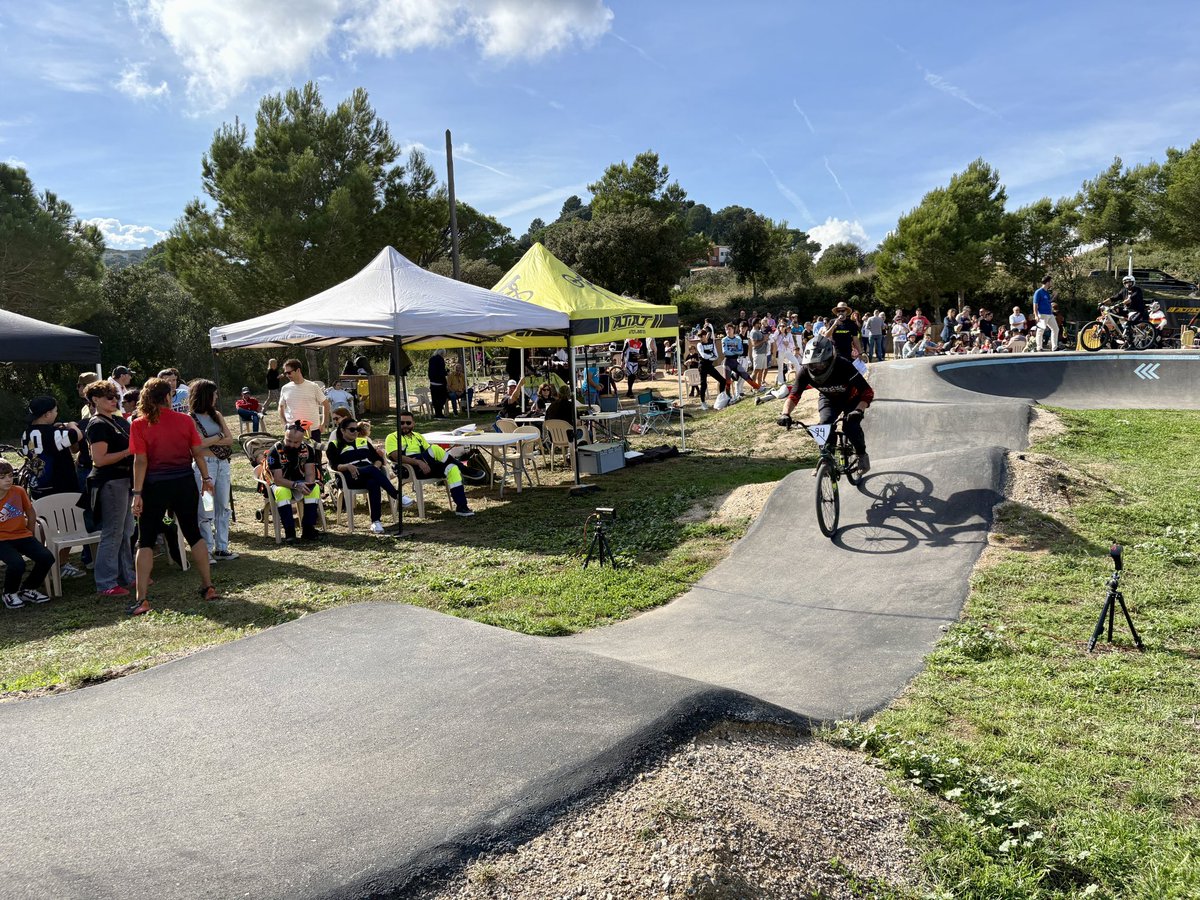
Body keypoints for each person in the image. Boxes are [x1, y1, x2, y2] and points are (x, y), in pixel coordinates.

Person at [129, 377, 219, 616]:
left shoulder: (139, 424)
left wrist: (137, 493)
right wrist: (206, 478)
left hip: (154, 487)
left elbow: (140, 461)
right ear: (168, 397)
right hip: (184, 483)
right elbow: (197, 452)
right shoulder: (185, 420)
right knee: (193, 533)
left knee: (145, 540)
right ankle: (208, 586)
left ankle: (142, 599)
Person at [776, 337, 873, 474]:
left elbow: (867, 391)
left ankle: (862, 455)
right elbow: (794, 396)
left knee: (850, 426)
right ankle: (826, 461)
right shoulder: (804, 371)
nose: (816, 368)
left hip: (852, 399)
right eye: (812, 364)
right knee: (824, 425)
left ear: (830, 359)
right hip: (829, 399)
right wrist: (785, 414)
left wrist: (859, 410)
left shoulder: (843, 365)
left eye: (821, 364)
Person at [84, 380, 136, 597]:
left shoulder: (115, 421)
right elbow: (99, 460)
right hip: (110, 481)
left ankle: (127, 575)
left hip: (123, 480)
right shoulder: (98, 424)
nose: (115, 400)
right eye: (109, 397)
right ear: (95, 400)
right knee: (113, 532)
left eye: (116, 397)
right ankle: (106, 582)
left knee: (126, 530)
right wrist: (128, 452)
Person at [385, 412, 474, 517]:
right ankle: (464, 469)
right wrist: (418, 462)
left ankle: (462, 507)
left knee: (452, 468)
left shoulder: (418, 436)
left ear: (413, 424)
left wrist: (427, 462)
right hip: (407, 469)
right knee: (435, 448)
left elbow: (429, 454)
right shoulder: (392, 437)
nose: (405, 425)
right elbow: (396, 457)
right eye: (401, 423)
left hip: (425, 467)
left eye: (408, 423)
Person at [188, 379, 238, 562]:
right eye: (214, 394)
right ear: (205, 396)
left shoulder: (216, 415)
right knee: (206, 509)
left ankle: (222, 548)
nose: (216, 397)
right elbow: (197, 444)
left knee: (223, 506)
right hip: (205, 466)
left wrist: (211, 439)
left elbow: (230, 440)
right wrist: (218, 436)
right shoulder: (191, 418)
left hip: (222, 464)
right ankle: (207, 550)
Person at [327, 417, 402, 534]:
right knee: (372, 471)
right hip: (348, 477)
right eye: (352, 430)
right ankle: (397, 495)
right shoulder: (334, 445)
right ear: (342, 430)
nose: (355, 432)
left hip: (368, 475)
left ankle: (376, 521)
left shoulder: (363, 442)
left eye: (357, 429)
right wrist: (347, 466)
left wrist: (375, 468)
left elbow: (377, 460)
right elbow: (334, 465)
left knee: (373, 482)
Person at [0, 460, 54, 609]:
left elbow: (30, 513)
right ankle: (9, 593)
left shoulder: (18, 491)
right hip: (2, 540)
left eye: (10, 476)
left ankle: (28, 589)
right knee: (17, 563)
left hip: (22, 535)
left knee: (46, 557)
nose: (8, 480)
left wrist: (30, 532)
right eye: (2, 477)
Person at [264, 423, 323, 542]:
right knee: (282, 492)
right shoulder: (275, 451)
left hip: (299, 481)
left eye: (296, 442)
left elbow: (310, 473)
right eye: (288, 440)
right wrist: (296, 485)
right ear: (284, 436)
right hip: (279, 483)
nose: (291, 445)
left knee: (314, 488)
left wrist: (309, 484)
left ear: (302, 440)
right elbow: (278, 480)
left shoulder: (307, 449)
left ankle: (308, 529)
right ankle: (289, 532)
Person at [278, 358, 332, 441]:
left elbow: (326, 404)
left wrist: (323, 423)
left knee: (314, 450)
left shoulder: (313, 386)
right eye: (285, 373)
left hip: (313, 430)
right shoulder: (285, 388)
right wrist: (285, 424)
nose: (287, 375)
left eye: (289, 372)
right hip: (292, 431)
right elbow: (281, 407)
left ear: (298, 370)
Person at [720, 322, 759, 401]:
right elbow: (725, 352)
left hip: (736, 361)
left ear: (733, 330)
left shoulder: (738, 339)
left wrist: (732, 351)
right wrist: (735, 351)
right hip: (728, 362)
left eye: (729, 329)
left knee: (745, 375)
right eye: (726, 329)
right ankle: (729, 397)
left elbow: (741, 351)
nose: (728, 331)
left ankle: (758, 387)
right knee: (728, 381)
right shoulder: (725, 339)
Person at [1109, 274, 1148, 343]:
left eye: (1129, 282)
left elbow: (1130, 299)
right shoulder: (1123, 290)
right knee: (1112, 312)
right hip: (1128, 311)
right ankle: (1120, 332)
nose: (1127, 284)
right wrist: (1102, 303)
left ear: (1133, 282)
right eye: (1126, 283)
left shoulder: (1137, 290)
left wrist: (1119, 304)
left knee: (1129, 324)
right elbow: (1114, 298)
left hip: (1138, 311)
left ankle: (1131, 344)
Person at [1033, 275, 1059, 351]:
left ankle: (1054, 347)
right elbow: (1035, 304)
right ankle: (1039, 347)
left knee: (1055, 329)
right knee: (1041, 330)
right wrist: (1036, 315)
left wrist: (1054, 296)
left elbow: (1049, 302)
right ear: (1047, 282)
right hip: (1042, 314)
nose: (1052, 283)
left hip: (1050, 314)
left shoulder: (1046, 292)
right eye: (1051, 281)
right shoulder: (1038, 292)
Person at [427, 348, 449, 418]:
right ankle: (440, 413)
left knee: (435, 399)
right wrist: (446, 372)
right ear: (442, 353)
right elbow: (441, 371)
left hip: (432, 382)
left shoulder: (431, 359)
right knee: (442, 398)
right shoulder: (440, 359)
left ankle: (437, 413)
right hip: (440, 383)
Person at [750, 318, 770, 389]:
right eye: (759, 323)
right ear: (755, 324)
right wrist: (764, 340)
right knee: (756, 371)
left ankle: (759, 386)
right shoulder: (753, 332)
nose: (760, 324)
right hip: (758, 354)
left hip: (763, 353)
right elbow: (754, 344)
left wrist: (765, 339)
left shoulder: (758, 331)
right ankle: (753, 387)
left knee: (761, 370)